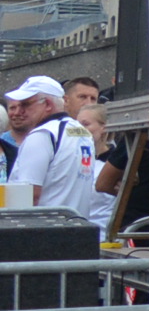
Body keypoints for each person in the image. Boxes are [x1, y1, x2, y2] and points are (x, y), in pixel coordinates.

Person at [4, 76, 97, 217]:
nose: (19, 111)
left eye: (25, 104)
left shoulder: (42, 134)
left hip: (43, 226)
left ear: (47, 104)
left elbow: (28, 195)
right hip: (77, 224)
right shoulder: (82, 132)